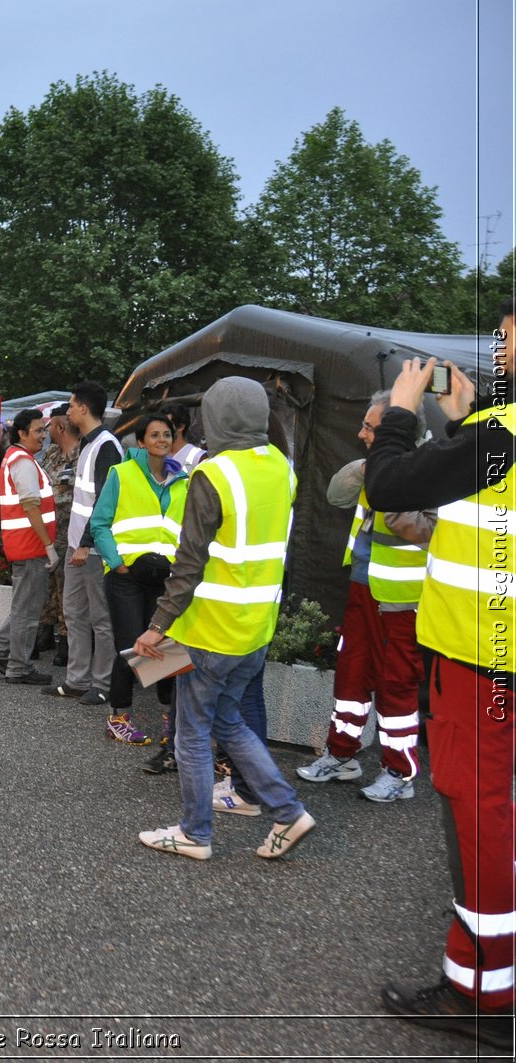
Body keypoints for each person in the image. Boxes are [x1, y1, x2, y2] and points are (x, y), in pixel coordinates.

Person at [363, 308, 514, 1049]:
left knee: (477, 819)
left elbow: (389, 484)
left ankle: (480, 990)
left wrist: (400, 409)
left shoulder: (504, 432)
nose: (498, 349)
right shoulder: (495, 436)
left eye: (508, 337)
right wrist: (459, 425)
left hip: (480, 662)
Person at [133, 376, 315, 863]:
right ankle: (286, 810)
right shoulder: (282, 467)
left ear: (217, 418)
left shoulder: (212, 475)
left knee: (193, 732)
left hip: (209, 628)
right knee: (229, 720)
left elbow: (189, 563)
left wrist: (157, 625)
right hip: (255, 628)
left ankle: (195, 833)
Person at [296, 391, 433, 803]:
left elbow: (433, 530)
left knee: (397, 685)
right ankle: (341, 754)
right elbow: (336, 495)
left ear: (397, 428)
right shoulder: (377, 464)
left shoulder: (433, 467)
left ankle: (400, 773)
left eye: (370, 428)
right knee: (351, 674)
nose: (361, 434)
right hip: (362, 585)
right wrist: (369, 467)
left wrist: (393, 493)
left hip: (402, 598)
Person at [90, 413, 189, 747]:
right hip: (127, 578)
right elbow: (99, 523)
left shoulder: (183, 481)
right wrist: (117, 564)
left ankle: (168, 720)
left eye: (167, 434)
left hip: (165, 579)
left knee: (165, 646)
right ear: (141, 441)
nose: (162, 440)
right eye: (154, 435)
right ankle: (119, 719)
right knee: (131, 646)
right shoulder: (122, 473)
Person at [48, 381, 123, 705]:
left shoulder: (106, 445)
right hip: (77, 545)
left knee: (100, 619)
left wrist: (85, 544)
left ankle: (103, 683)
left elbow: (105, 502)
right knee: (75, 613)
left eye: (71, 404)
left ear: (83, 408)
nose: (67, 410)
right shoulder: (89, 444)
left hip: (91, 549)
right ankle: (77, 680)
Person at [0, 408, 57, 683]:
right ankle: (17, 666)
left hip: (23, 543)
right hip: (31, 545)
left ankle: (0, 651)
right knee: (28, 609)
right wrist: (49, 545)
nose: (43, 436)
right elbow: (31, 504)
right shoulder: (23, 461)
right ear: (22, 433)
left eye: (44, 430)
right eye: (38, 431)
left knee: (24, 606)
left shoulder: (15, 458)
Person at [37, 404, 78, 663]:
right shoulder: (51, 453)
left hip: (67, 530)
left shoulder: (80, 455)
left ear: (60, 426)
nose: (46, 431)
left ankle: (66, 641)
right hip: (47, 530)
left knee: (66, 588)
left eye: (49, 426)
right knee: (47, 584)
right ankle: (44, 630)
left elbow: (74, 494)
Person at [160, 401, 206, 471]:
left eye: (167, 425)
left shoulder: (197, 456)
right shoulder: (157, 456)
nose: (161, 429)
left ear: (181, 427)